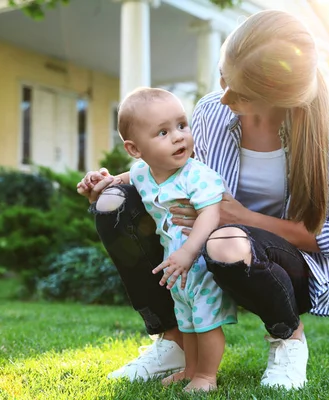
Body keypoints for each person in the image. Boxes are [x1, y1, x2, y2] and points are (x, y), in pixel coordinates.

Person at [77, 10, 329, 390]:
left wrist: (241, 217)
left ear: (279, 94)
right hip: (206, 239)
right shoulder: (213, 110)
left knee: (225, 241)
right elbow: (183, 173)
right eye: (223, 78)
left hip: (280, 259)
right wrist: (118, 180)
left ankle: (288, 338)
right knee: (114, 204)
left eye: (240, 92)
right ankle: (174, 342)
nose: (223, 97)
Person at [82, 87, 237, 392]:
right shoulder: (144, 172)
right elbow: (122, 180)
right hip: (176, 268)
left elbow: (210, 214)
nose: (179, 136)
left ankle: (207, 375)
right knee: (188, 322)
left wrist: (190, 252)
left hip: (201, 265)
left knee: (206, 324)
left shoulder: (197, 175)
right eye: (163, 132)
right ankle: (190, 369)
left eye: (181, 125)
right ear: (135, 149)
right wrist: (102, 181)